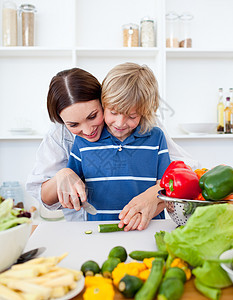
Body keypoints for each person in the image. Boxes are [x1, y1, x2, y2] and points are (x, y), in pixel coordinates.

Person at [26, 66, 199, 228]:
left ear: (103, 101)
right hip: (86, 228)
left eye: (93, 116)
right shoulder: (61, 135)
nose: (87, 131)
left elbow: (185, 172)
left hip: (144, 226)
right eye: (73, 124)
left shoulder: (148, 128)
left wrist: (156, 194)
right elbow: (44, 197)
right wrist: (62, 175)